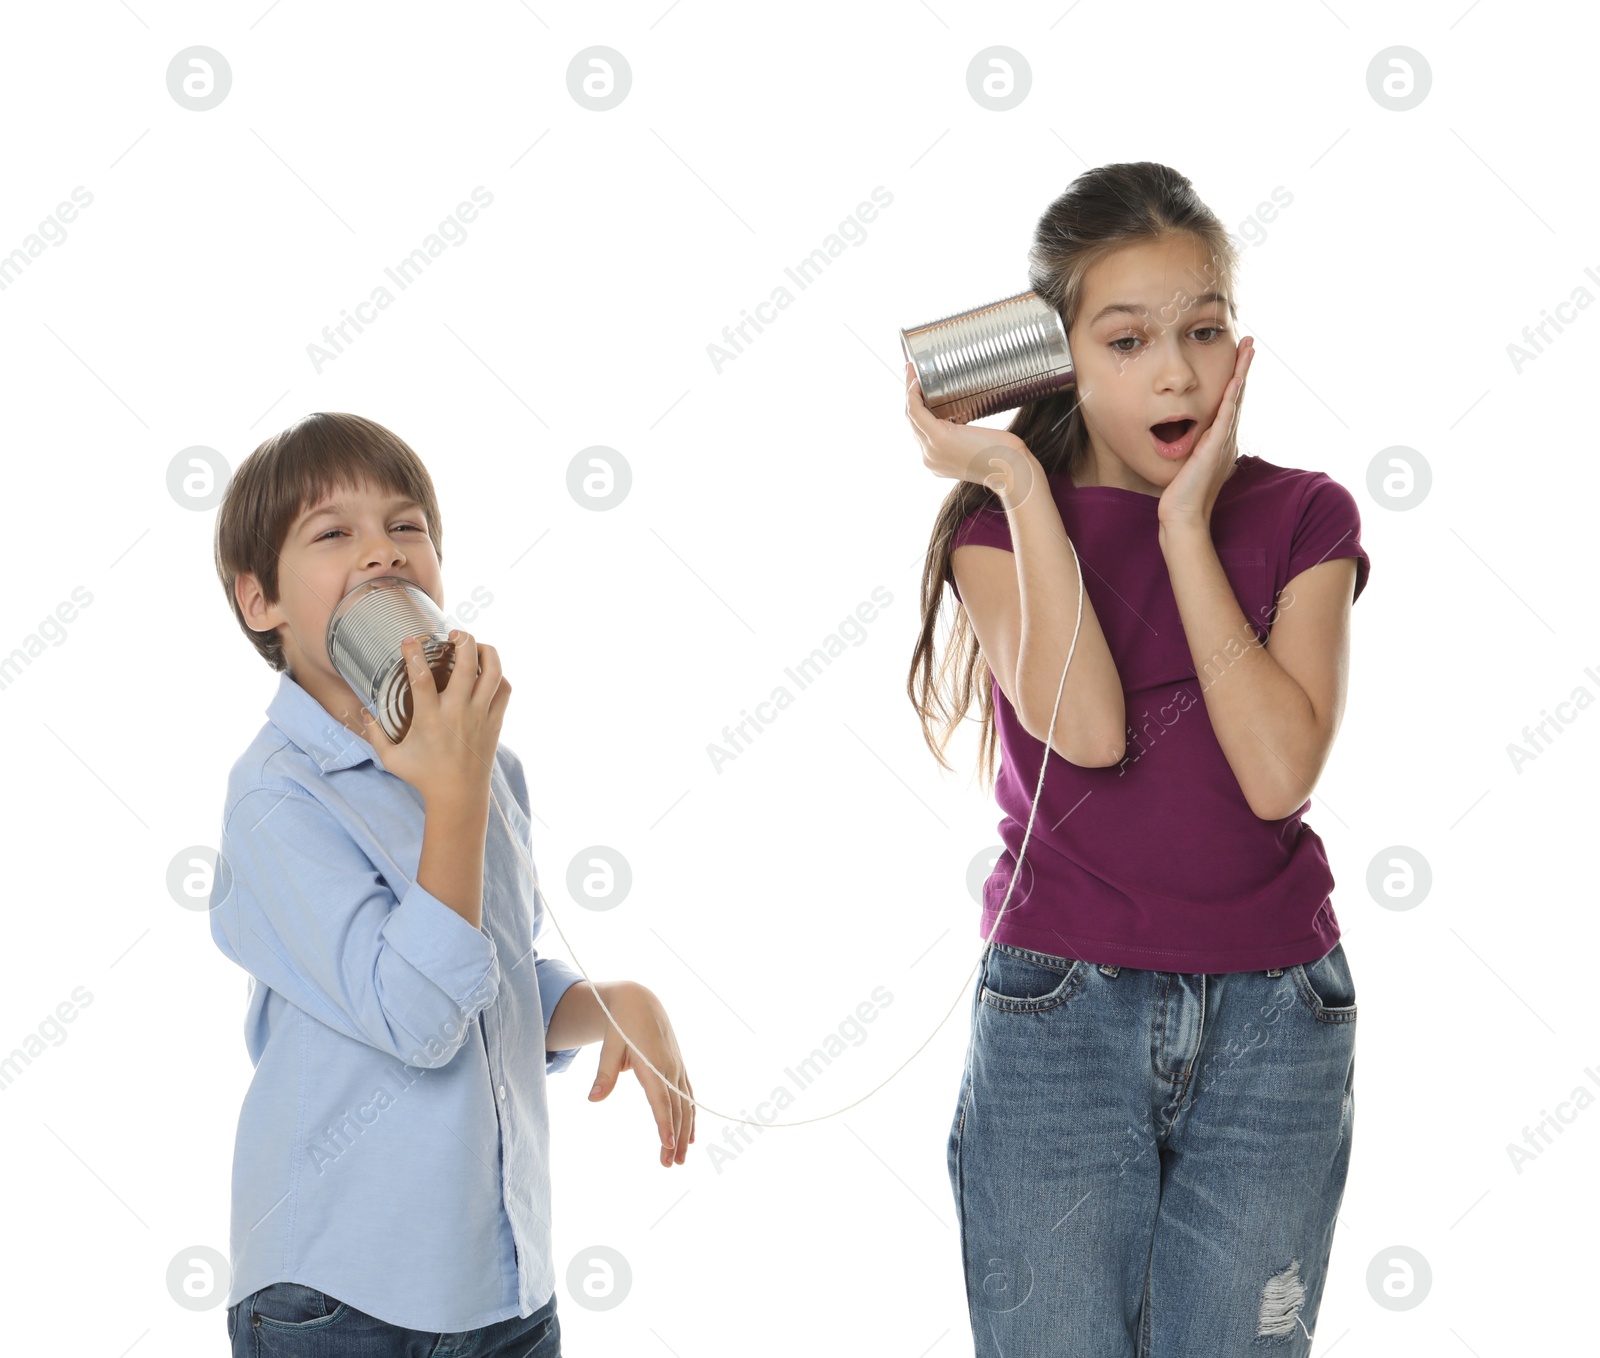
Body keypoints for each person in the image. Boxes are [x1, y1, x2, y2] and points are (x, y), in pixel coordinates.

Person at [903, 162, 1369, 1356]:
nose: (1176, 371)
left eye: (1203, 330)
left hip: (1277, 1018)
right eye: (1127, 340)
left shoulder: (1303, 516)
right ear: (1060, 358)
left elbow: (1277, 771)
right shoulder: (999, 527)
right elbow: (1092, 725)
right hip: (1061, 1010)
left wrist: (1184, 527)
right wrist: (1010, 472)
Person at [207, 413, 696, 1355]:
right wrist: (456, 792)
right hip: (340, 1295)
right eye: (333, 533)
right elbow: (418, 1018)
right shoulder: (275, 797)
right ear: (260, 599)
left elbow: (488, 984)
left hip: (500, 1280)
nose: (384, 554)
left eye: (406, 527)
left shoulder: (487, 768)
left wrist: (609, 1004)